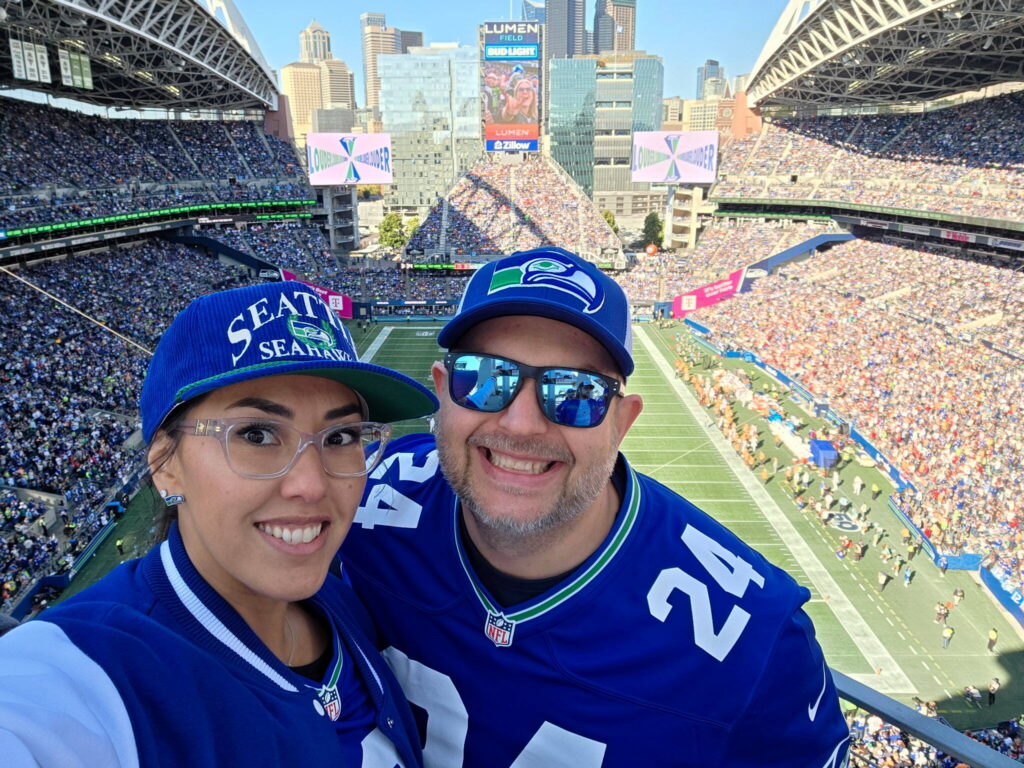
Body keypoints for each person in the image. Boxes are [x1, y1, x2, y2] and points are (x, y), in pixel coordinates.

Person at [341, 248, 850, 766]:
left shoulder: (754, 638)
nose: (520, 425)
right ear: (443, 393)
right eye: (484, 378)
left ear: (622, 423)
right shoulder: (361, 502)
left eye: (575, 393)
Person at [0, 282, 437, 767]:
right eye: (256, 433)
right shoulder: (88, 673)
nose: (311, 485)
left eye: (341, 435)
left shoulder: (337, 600)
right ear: (166, 463)